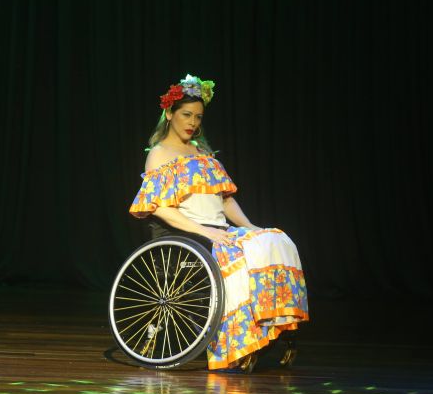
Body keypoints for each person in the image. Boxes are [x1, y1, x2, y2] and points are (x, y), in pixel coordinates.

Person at [129, 74, 309, 372]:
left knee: (276, 240)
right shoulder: (160, 154)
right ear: (170, 114)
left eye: (198, 117)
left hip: (219, 230)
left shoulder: (203, 153)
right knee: (236, 257)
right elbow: (159, 207)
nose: (193, 122)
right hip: (188, 233)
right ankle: (241, 341)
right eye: (186, 115)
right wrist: (205, 231)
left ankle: (274, 327)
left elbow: (225, 201)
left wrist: (251, 227)